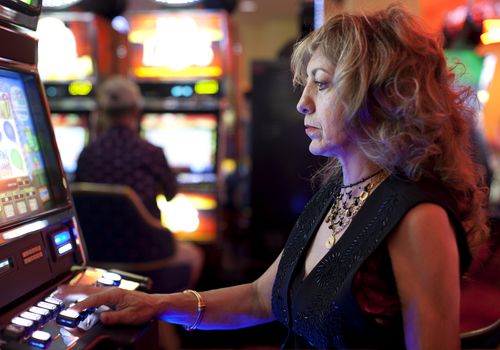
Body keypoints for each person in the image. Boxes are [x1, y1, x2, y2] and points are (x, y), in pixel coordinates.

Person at [59, 5, 490, 350]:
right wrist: (155, 305)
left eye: (321, 84)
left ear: (379, 95)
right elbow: (262, 296)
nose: (302, 103)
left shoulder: (418, 217)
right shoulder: (337, 190)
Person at [75, 75, 178, 220]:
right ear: (136, 110)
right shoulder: (151, 153)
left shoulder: (88, 154)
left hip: (96, 240)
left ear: (101, 113)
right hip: (145, 239)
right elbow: (171, 194)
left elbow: (79, 199)